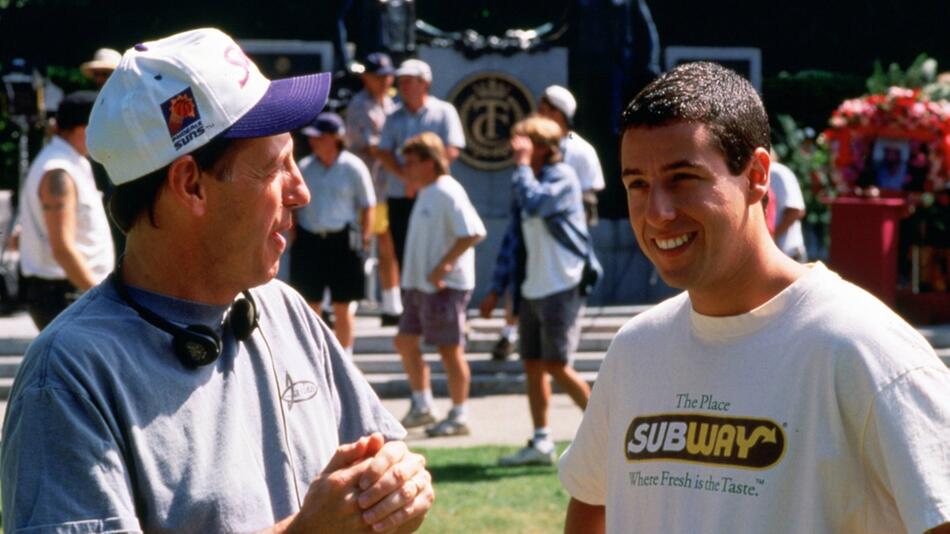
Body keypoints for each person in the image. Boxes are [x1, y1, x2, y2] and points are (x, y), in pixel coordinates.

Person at [1, 28, 433, 533]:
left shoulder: (284, 309)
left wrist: (394, 490)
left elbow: (382, 465)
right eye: (274, 168)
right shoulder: (68, 377)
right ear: (190, 185)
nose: (300, 193)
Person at [559, 62, 950, 534]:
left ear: (757, 175)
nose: (657, 212)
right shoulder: (635, 349)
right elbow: (591, 505)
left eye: (683, 177)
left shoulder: (863, 349)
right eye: (637, 184)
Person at [496, 116, 593, 467]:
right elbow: (513, 237)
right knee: (533, 365)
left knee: (556, 363)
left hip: (561, 284)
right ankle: (541, 443)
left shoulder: (562, 177)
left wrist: (522, 166)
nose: (516, 148)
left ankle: (608, 433)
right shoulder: (526, 177)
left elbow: (536, 203)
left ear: (543, 147)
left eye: (524, 142)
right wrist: (500, 288)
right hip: (533, 286)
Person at [394, 132, 485, 436]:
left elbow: (473, 232)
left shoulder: (448, 190)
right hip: (418, 286)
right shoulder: (426, 191)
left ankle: (459, 416)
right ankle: (423, 406)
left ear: (430, 163)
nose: (406, 168)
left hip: (446, 287)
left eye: (412, 162)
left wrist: (444, 265)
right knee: (405, 342)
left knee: (450, 351)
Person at [376, 59, 466, 324]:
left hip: (436, 195)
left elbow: (452, 149)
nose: (402, 86)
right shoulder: (393, 116)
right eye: (400, 81)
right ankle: (411, 309)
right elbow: (384, 151)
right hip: (402, 195)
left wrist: (424, 179)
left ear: (424, 83)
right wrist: (408, 177)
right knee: (405, 250)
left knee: (440, 247)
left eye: (408, 81)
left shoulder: (444, 111)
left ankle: (443, 308)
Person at [17, 90, 115, 329]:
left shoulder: (70, 161)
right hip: (67, 295)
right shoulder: (58, 171)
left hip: (72, 293)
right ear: (84, 129)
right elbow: (62, 247)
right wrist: (103, 299)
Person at [292, 112, 376, 356]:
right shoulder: (305, 167)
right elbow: (295, 204)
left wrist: (365, 238)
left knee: (342, 304)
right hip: (310, 240)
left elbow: (367, 205)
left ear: (334, 138)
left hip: (343, 241)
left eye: (319, 137)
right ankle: (313, 355)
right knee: (309, 303)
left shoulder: (353, 167)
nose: (313, 142)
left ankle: (346, 357)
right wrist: (294, 234)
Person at [345, 52, 400, 324]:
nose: (385, 80)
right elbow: (375, 147)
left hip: (385, 189)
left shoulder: (391, 103)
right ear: (366, 77)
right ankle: (345, 304)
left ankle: (392, 306)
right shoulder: (359, 106)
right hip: (361, 191)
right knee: (358, 247)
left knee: (388, 245)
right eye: (379, 76)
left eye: (388, 74)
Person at [537, 84, 606, 226]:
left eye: (542, 111)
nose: (538, 116)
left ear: (557, 114)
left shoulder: (582, 149)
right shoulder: (536, 146)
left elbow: (589, 197)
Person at [768, 158, 807, 261]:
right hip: (779, 254)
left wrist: (771, 239)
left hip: (788, 254)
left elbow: (795, 211)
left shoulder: (776, 172)